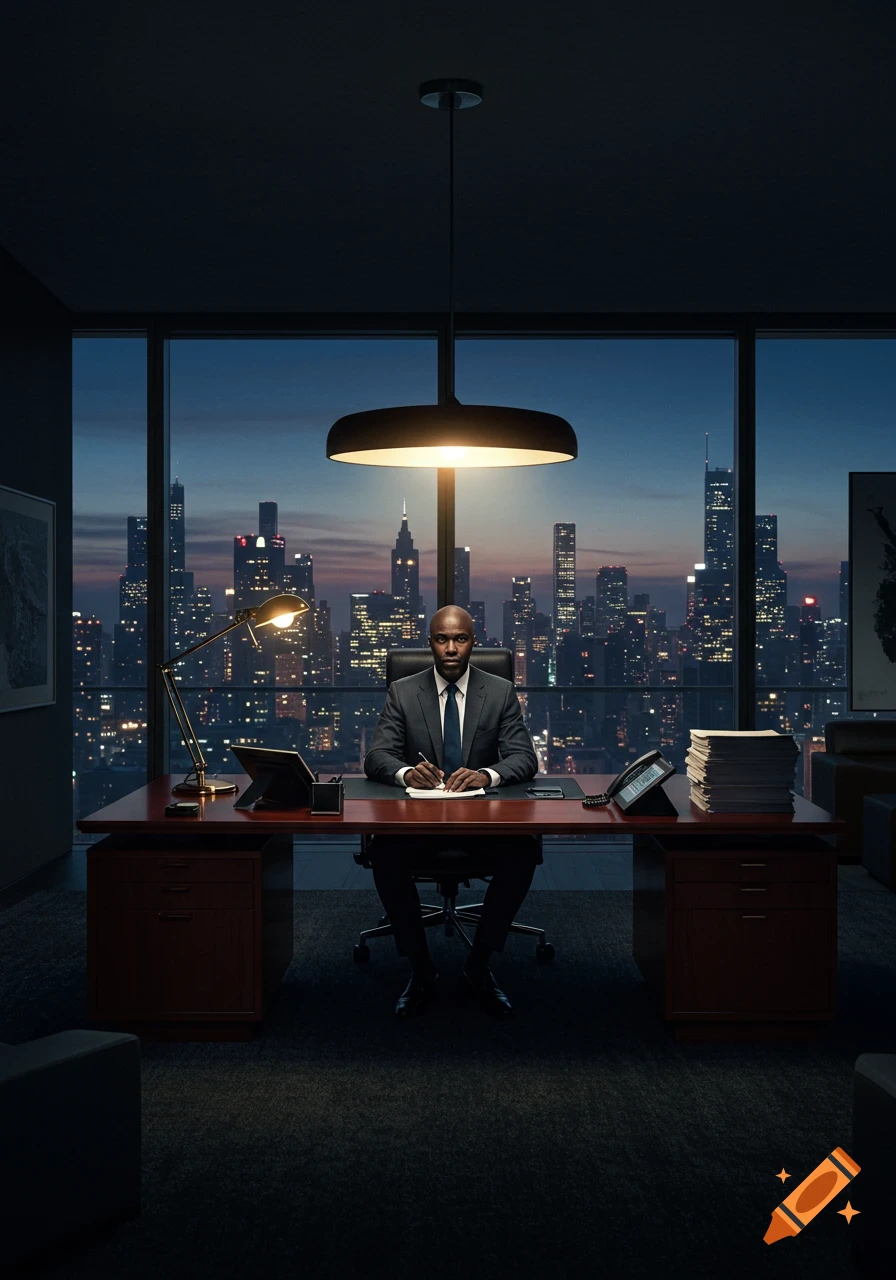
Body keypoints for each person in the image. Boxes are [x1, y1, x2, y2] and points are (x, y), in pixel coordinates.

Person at [364, 606, 540, 1018]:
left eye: (459, 639)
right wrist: (408, 772)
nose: (450, 648)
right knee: (384, 855)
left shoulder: (498, 691)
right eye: (442, 639)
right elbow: (377, 757)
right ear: (430, 643)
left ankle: (478, 967)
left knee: (523, 853)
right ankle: (422, 970)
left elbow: (524, 758)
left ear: (473, 642)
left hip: (481, 824)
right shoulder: (403, 692)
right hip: (418, 825)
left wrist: (486, 775)